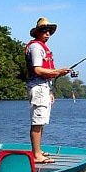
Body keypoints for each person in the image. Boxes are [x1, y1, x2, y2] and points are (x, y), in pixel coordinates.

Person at [25, 17, 71, 164]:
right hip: (38, 88)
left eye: (49, 31)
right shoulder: (36, 48)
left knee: (41, 121)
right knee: (37, 121)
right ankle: (36, 155)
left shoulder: (42, 47)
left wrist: (50, 91)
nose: (47, 33)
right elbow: (38, 70)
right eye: (44, 30)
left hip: (44, 87)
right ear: (38, 32)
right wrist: (58, 72)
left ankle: (38, 150)